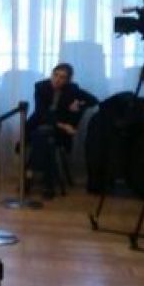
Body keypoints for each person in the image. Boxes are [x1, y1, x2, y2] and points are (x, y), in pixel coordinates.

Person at [24, 63, 99, 199]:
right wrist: (63, 125)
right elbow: (41, 113)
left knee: (42, 138)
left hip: (57, 133)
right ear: (51, 75)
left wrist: (79, 104)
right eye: (55, 75)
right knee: (45, 139)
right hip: (40, 124)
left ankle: (29, 175)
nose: (57, 80)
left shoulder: (72, 89)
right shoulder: (40, 87)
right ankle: (48, 184)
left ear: (68, 80)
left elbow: (94, 100)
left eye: (62, 77)